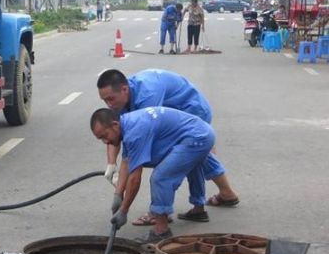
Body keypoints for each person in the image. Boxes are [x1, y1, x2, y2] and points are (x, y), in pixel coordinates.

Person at [97, 68, 239, 226]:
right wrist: (111, 164)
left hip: (192, 109)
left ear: (124, 90)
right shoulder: (120, 95)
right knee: (193, 155)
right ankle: (214, 199)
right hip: (178, 120)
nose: (108, 105)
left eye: (110, 99)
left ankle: (159, 213)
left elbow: (135, 143)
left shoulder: (148, 95)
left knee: (185, 158)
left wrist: (124, 208)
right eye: (104, 101)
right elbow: (117, 134)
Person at [91, 107, 221, 243]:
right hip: (200, 132)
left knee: (160, 178)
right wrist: (118, 194)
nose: (105, 142)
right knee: (192, 164)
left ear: (115, 125)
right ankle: (198, 210)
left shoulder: (135, 132)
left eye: (104, 136)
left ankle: (161, 230)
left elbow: (134, 178)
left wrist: (124, 210)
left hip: (197, 137)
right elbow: (126, 161)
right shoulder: (128, 124)